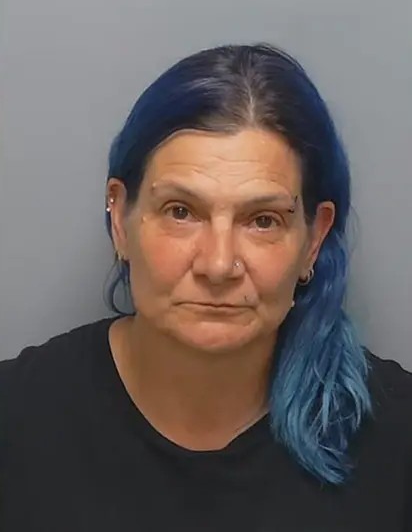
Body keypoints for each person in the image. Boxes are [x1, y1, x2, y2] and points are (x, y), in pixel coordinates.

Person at [0, 44, 411, 532]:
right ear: (120, 220)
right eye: (181, 212)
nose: (218, 265)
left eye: (262, 220)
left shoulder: (397, 439)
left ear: (313, 241)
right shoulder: (15, 421)